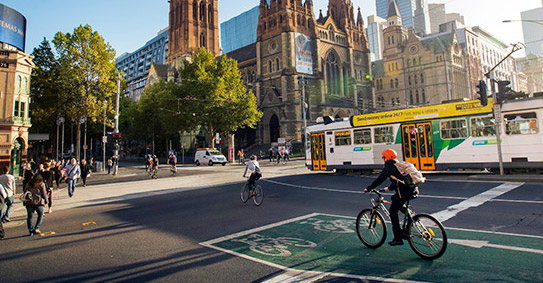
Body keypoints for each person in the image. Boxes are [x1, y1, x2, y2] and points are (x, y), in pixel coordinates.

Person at [364, 149, 417, 246]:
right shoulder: (399, 165)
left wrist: (369, 188)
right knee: (395, 200)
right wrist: (389, 188)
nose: (383, 159)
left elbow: (380, 179)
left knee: (393, 211)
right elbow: (399, 180)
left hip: (404, 192)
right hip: (413, 189)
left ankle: (398, 238)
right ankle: (410, 218)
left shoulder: (389, 167)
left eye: (383, 157)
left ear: (386, 158)